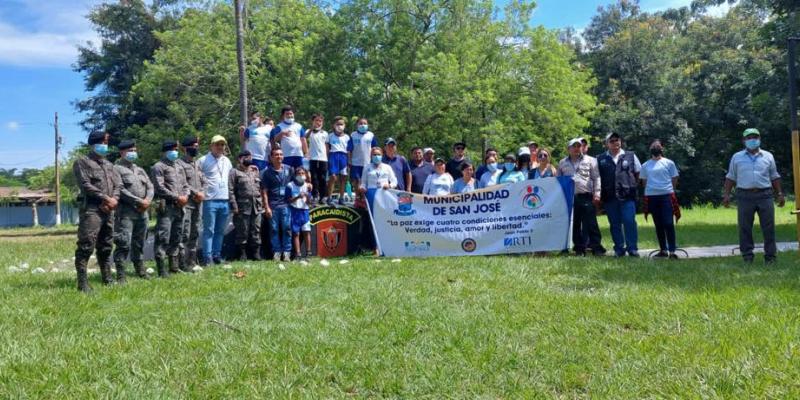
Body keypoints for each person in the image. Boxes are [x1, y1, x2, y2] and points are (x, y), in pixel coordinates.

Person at [723, 128, 785, 263]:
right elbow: (731, 177)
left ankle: (770, 257)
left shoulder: (768, 156)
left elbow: (774, 176)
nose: (752, 140)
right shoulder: (737, 157)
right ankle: (747, 256)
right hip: (744, 195)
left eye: (755, 137)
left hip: (765, 195)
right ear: (744, 140)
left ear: (759, 139)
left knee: (768, 227)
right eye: (749, 137)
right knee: (745, 227)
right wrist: (727, 194)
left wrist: (779, 193)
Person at [73, 131, 121, 292]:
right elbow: (85, 185)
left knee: (106, 244)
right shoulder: (82, 162)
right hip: (92, 209)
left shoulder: (109, 164)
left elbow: (118, 185)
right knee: (87, 244)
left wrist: (113, 200)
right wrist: (106, 199)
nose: (105, 145)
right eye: (103, 142)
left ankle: (107, 278)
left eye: (107, 142)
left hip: (109, 209)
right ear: (93, 143)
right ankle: (82, 282)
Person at [112, 139, 153, 282]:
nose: (133, 153)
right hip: (126, 213)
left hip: (143, 212)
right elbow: (120, 189)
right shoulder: (116, 169)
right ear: (122, 152)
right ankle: (121, 275)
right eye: (130, 151)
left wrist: (147, 200)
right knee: (124, 242)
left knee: (140, 242)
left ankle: (140, 270)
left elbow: (150, 186)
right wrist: (138, 201)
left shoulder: (139, 169)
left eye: (134, 151)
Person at [558, 138, 605, 256]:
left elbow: (596, 178)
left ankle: (596, 247)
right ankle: (579, 248)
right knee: (575, 223)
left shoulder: (591, 160)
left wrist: (597, 193)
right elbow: (558, 181)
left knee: (591, 223)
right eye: (573, 146)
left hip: (587, 196)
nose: (576, 148)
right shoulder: (562, 163)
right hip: (570, 198)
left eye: (578, 146)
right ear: (568, 149)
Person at [597, 132, 641, 257]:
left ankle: (632, 248)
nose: (615, 142)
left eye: (617, 140)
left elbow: (638, 174)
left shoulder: (631, 155)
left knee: (629, 221)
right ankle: (619, 249)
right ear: (606, 144)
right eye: (612, 141)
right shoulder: (600, 158)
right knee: (615, 224)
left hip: (627, 196)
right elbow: (597, 177)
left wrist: (631, 185)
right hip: (610, 196)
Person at [151, 140, 190, 277]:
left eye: (176, 149)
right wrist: (176, 197)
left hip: (180, 207)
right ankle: (162, 269)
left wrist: (185, 196)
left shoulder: (178, 166)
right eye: (173, 149)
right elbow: (159, 187)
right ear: (166, 151)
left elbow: (186, 184)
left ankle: (174, 267)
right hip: (167, 206)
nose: (175, 152)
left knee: (176, 237)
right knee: (163, 237)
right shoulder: (158, 167)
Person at [641, 140, 680, 259]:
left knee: (668, 223)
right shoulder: (645, 165)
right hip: (652, 197)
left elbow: (675, 178)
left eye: (658, 146)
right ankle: (663, 250)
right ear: (650, 149)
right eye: (653, 145)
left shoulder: (669, 163)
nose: (655, 147)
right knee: (658, 224)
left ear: (662, 148)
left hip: (666, 196)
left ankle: (672, 251)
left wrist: (668, 189)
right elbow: (644, 182)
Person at [199, 135, 232, 265]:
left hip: (224, 199)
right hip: (209, 200)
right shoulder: (203, 160)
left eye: (222, 145)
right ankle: (207, 257)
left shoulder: (227, 161)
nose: (220, 147)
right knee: (209, 230)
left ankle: (217, 255)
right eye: (217, 144)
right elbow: (196, 177)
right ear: (211, 146)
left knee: (220, 230)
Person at [358, 147, 397, 255]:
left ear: (382, 155)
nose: (376, 156)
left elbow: (394, 181)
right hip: (371, 194)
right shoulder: (367, 167)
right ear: (371, 156)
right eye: (374, 154)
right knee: (373, 221)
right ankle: (375, 247)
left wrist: (389, 185)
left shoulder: (387, 167)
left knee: (384, 220)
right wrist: (362, 188)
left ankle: (386, 246)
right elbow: (363, 182)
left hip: (384, 194)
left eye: (378, 154)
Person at [177, 136, 206, 270]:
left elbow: (204, 181)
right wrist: (196, 193)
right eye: (193, 146)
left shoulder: (197, 164)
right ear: (185, 148)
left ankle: (192, 261)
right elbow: (183, 183)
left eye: (196, 146)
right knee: (184, 233)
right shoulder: (179, 164)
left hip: (198, 204)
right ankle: (181, 263)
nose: (195, 148)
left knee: (195, 232)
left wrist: (203, 192)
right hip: (186, 204)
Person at [229, 150, 265, 261]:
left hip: (256, 206)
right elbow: (230, 190)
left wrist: (263, 203)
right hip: (242, 207)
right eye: (246, 157)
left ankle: (256, 254)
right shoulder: (234, 172)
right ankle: (242, 254)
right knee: (242, 231)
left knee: (256, 230)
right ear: (240, 159)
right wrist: (234, 206)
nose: (249, 159)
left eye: (250, 157)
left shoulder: (254, 171)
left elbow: (260, 188)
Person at [261, 148, 294, 261]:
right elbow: (264, 191)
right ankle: (276, 253)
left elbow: (299, 182)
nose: (279, 156)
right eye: (276, 155)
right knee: (274, 230)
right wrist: (267, 207)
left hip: (286, 205)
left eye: (281, 154)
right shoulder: (267, 172)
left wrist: (308, 183)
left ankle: (287, 253)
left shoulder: (290, 169)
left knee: (287, 229)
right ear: (271, 157)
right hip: (273, 206)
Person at [286, 167, 313, 261]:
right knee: (296, 233)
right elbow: (288, 200)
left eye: (303, 173)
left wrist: (307, 196)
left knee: (307, 232)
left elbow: (309, 202)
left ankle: (309, 253)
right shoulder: (290, 185)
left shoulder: (307, 186)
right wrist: (298, 197)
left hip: (304, 211)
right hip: (294, 211)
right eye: (299, 173)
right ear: (295, 175)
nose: (301, 175)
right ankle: (298, 254)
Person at [348, 117, 378, 194]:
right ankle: (358, 198)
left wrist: (374, 160)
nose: (362, 125)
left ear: (367, 125)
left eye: (365, 123)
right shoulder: (353, 135)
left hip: (368, 163)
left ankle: (365, 199)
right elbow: (349, 149)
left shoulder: (371, 135)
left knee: (366, 182)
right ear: (357, 125)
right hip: (356, 163)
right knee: (356, 181)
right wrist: (349, 161)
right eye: (360, 123)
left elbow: (375, 148)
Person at [326, 116, 351, 205]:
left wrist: (349, 161)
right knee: (333, 177)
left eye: (341, 124)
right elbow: (327, 149)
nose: (340, 126)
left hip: (343, 157)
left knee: (343, 178)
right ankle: (329, 197)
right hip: (333, 156)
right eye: (338, 124)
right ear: (334, 125)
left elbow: (348, 150)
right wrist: (327, 159)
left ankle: (341, 198)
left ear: (344, 125)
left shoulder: (347, 137)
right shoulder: (330, 136)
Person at [307, 113, 328, 204]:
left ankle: (323, 197)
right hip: (313, 158)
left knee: (323, 178)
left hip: (323, 159)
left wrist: (327, 157)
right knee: (314, 178)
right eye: (316, 121)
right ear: (313, 122)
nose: (318, 123)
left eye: (320, 121)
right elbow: (304, 137)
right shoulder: (309, 131)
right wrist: (312, 128)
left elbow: (327, 146)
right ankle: (315, 196)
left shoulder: (325, 133)